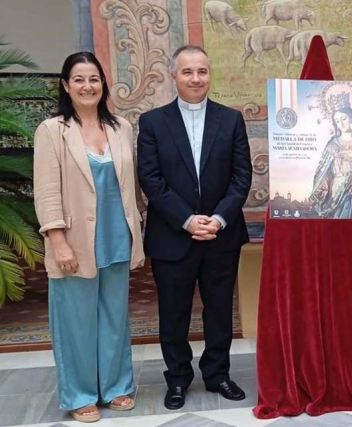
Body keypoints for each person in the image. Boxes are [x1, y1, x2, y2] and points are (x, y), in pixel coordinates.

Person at [137, 45, 252, 410]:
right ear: (174, 76)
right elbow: (150, 179)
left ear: (209, 75)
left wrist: (217, 219)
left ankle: (217, 374)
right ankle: (178, 379)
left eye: (202, 71)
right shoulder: (153, 122)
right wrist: (187, 220)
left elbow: (242, 176)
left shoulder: (231, 119)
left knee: (219, 309)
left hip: (221, 234)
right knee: (174, 313)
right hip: (172, 234)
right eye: (187, 72)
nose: (195, 78)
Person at [33, 52, 145, 423]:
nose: (87, 86)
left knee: (114, 319)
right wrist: (58, 240)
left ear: (103, 84)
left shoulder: (121, 128)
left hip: (117, 238)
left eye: (94, 78)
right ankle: (80, 393)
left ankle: (115, 387)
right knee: (75, 322)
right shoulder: (52, 130)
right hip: (75, 244)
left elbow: (131, 188)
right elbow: (47, 191)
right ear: (66, 85)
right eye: (79, 79)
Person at [309, 93, 352, 218]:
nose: (341, 123)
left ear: (351, 117)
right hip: (339, 187)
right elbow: (324, 171)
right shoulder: (333, 143)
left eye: (343, 119)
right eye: (337, 121)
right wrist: (321, 188)